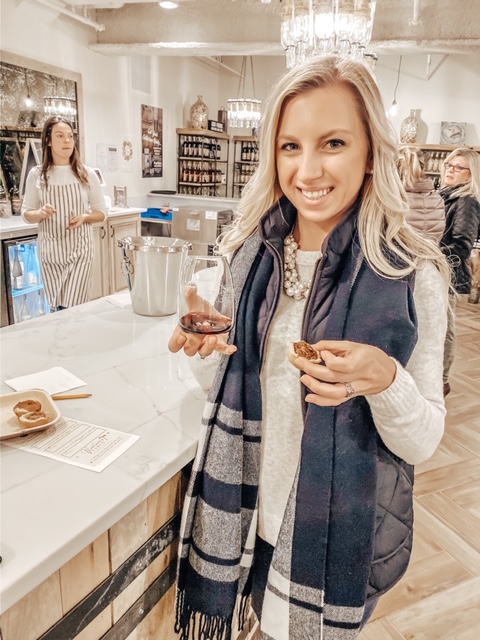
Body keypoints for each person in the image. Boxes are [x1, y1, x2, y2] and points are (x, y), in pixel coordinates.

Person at [169, 56, 450, 640]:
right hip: (247, 521)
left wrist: (386, 381)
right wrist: (208, 348)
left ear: (370, 153)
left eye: (334, 143)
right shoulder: (246, 257)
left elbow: (421, 441)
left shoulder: (411, 276)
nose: (308, 169)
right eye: (290, 146)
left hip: (338, 535)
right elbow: (222, 388)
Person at [22, 116, 107, 311]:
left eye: (70, 136)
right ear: (49, 141)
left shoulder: (86, 173)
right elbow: (26, 213)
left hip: (80, 250)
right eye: (60, 136)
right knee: (56, 308)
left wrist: (85, 217)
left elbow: (102, 213)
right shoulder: (37, 175)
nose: (67, 140)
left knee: (71, 307)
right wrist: (40, 213)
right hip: (50, 252)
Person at [439, 148, 480, 396]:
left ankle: (442, 381)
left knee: (444, 328)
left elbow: (462, 246)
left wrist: (427, 250)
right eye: (449, 164)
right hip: (440, 272)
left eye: (458, 167)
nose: (450, 170)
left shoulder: (466, 201)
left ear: (471, 174)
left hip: (449, 275)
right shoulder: (447, 194)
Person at [397, 145, 445, 243]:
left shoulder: (395, 198)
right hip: (430, 251)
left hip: (400, 252)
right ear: (423, 168)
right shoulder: (437, 198)